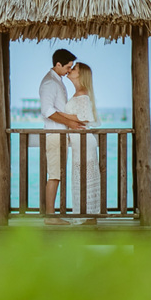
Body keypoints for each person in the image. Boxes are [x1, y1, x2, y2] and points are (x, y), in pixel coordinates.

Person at [39, 48, 85, 224]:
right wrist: (70, 123)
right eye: (67, 67)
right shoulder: (50, 83)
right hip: (54, 135)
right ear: (58, 65)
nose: (68, 71)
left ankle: (51, 215)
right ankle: (50, 217)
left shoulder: (56, 80)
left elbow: (58, 110)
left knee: (56, 174)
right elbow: (47, 111)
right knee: (54, 175)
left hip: (59, 134)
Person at [65, 62, 100, 221]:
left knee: (85, 179)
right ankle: (83, 216)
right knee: (80, 178)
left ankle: (87, 217)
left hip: (84, 141)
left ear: (81, 74)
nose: (70, 70)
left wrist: (58, 114)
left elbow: (85, 118)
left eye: (74, 68)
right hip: (79, 141)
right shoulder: (79, 93)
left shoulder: (83, 94)